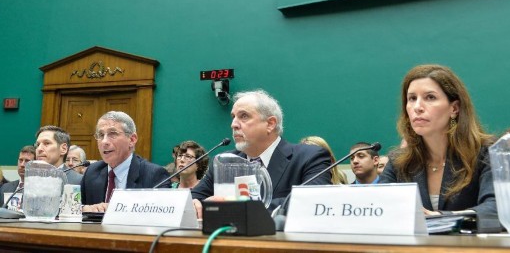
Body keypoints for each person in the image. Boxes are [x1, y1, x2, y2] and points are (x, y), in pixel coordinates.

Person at [191, 89, 332, 216]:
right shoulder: (225, 162)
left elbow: (312, 202)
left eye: (244, 116)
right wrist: (198, 204)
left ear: (270, 124)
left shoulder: (310, 157)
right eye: (233, 117)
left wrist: (233, 209)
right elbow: (193, 198)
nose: (233, 124)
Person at [380, 64, 496, 216]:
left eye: (430, 97)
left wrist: (443, 218)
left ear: (454, 108)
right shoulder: (399, 162)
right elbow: (380, 207)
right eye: (412, 98)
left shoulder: (486, 153)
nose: (417, 107)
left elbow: (495, 208)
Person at [81, 111, 171, 212]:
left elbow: (161, 217)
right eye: (101, 135)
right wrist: (84, 209)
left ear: (132, 140)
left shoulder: (154, 175)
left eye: (112, 134)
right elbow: (74, 208)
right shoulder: (92, 172)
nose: (104, 141)